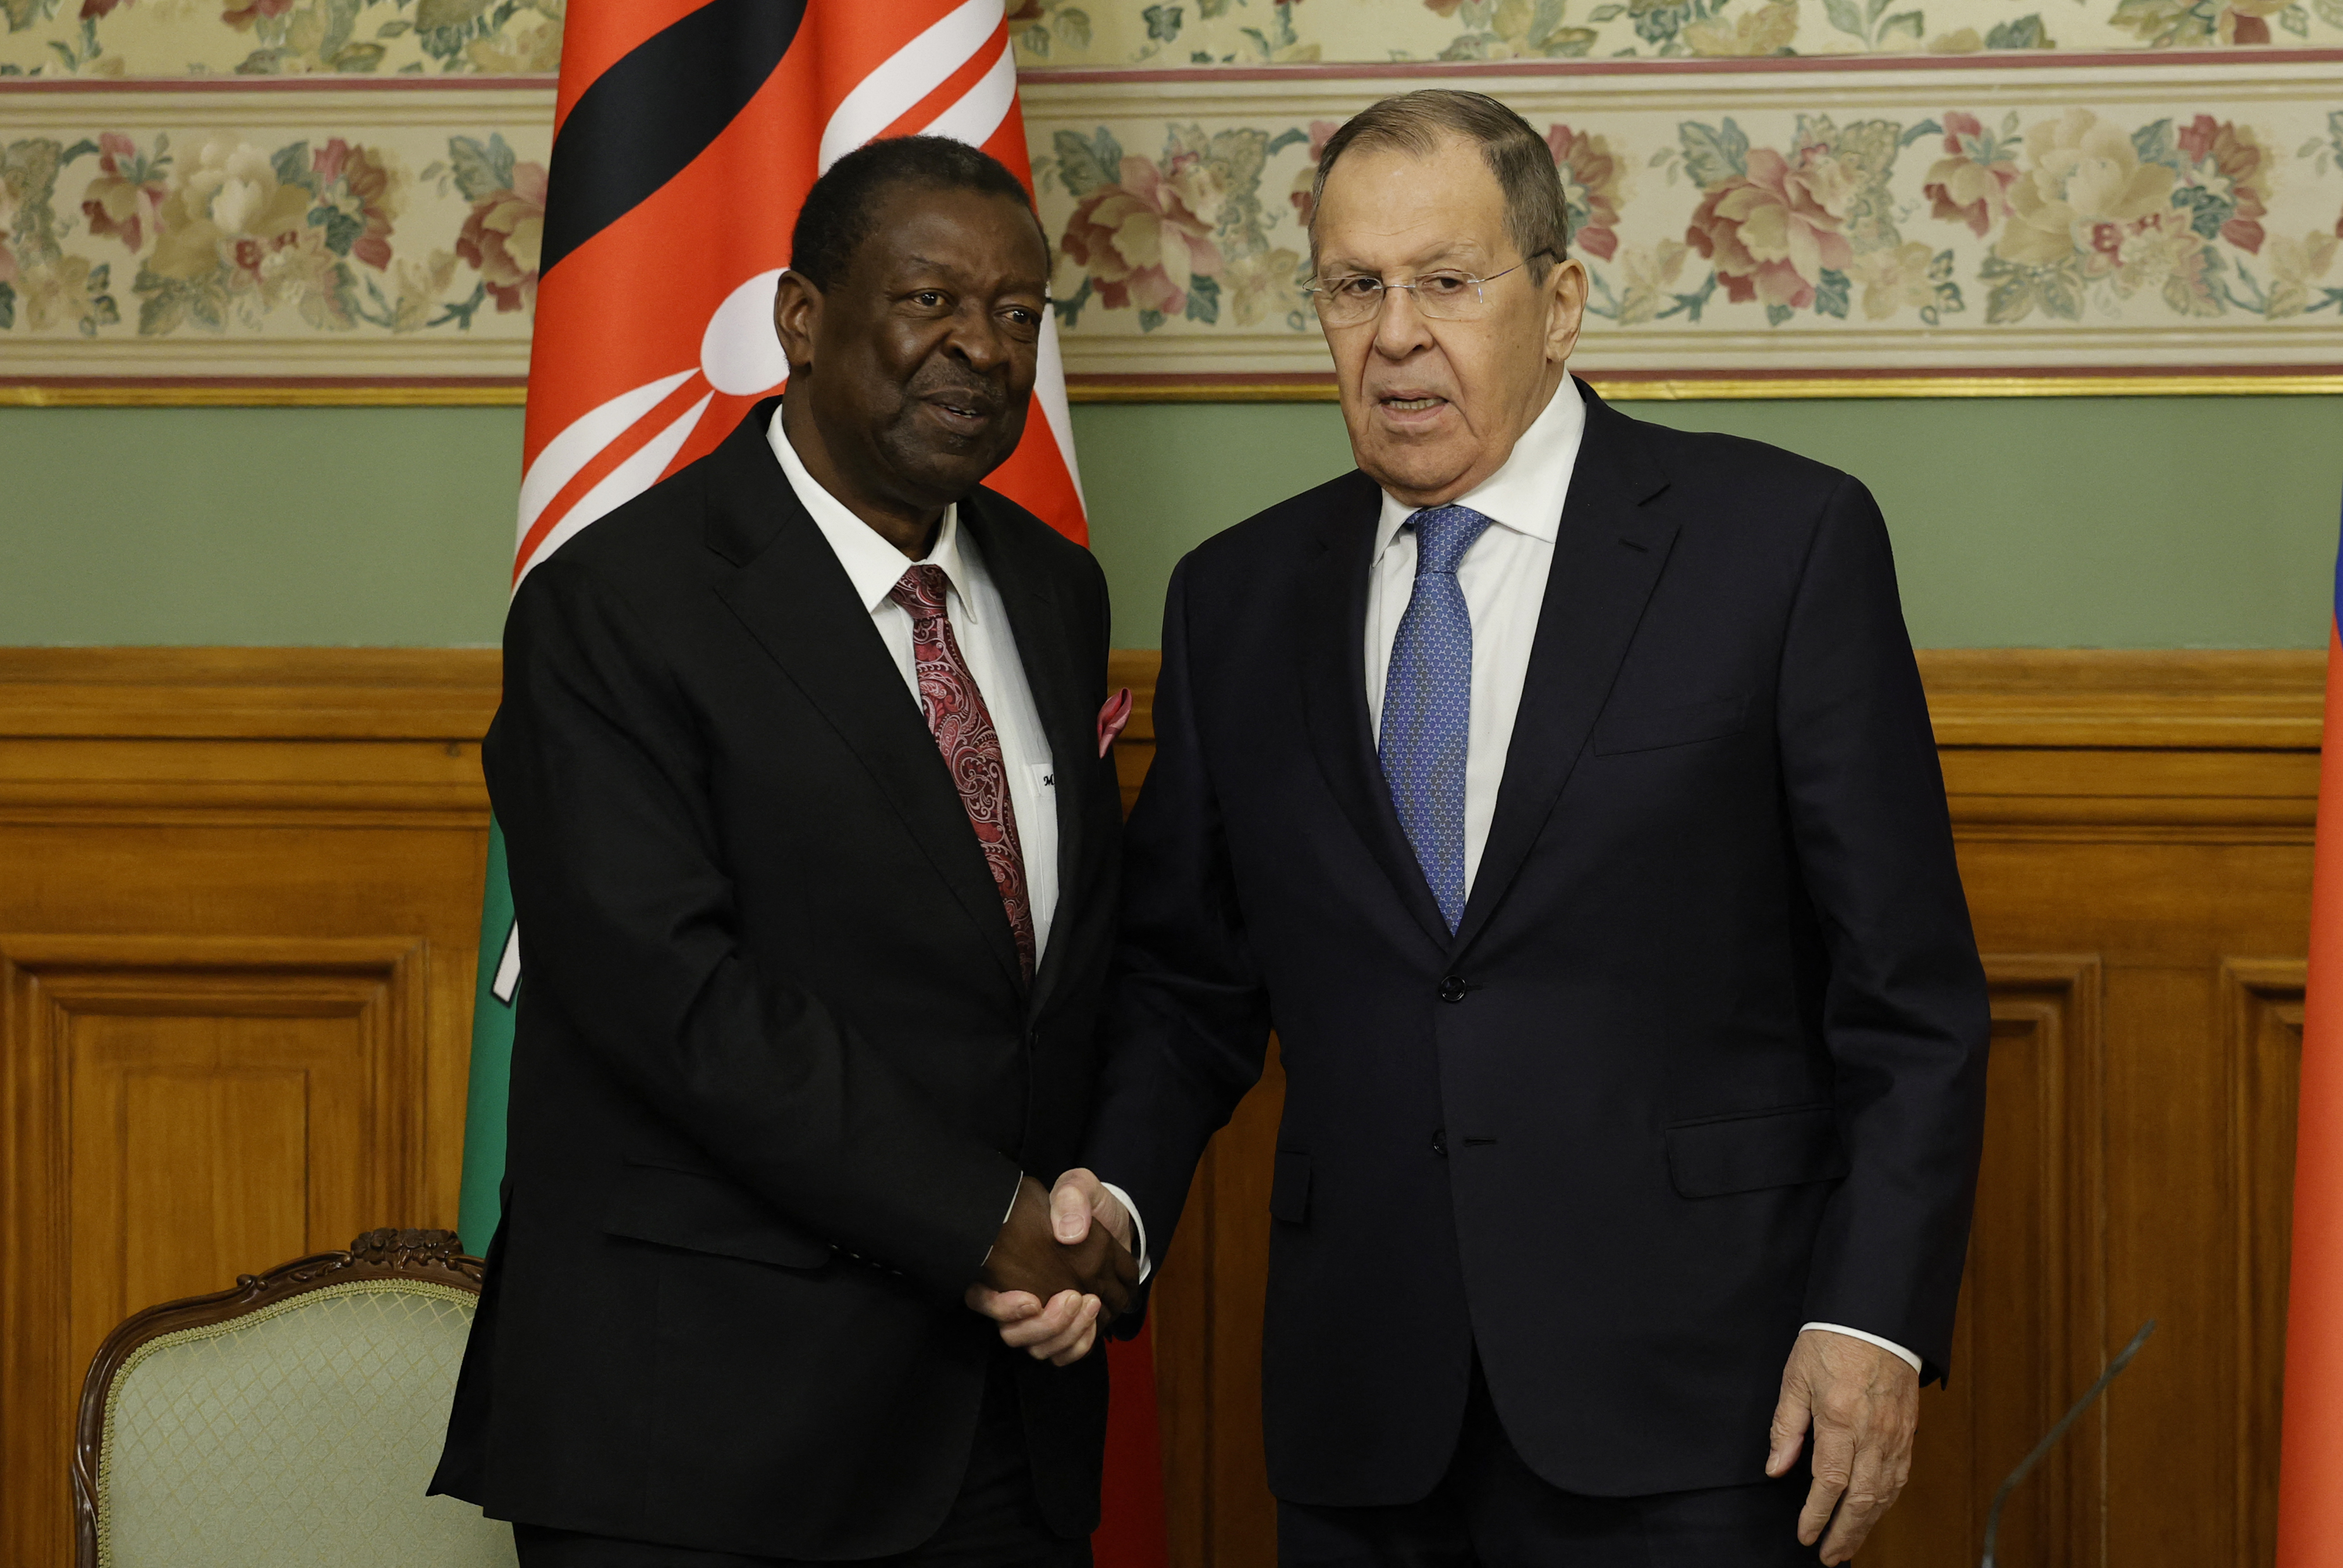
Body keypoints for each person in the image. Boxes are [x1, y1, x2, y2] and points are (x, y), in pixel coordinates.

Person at [1026, 90, 1992, 1565]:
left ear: (1560, 303)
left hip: (1701, 1404)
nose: (1395, 335)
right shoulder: (1237, 597)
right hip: (1365, 1412)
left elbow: (1907, 996)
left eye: (1446, 281)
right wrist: (1119, 1204)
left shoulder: (1776, 545)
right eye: (1353, 287)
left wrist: (1871, 1318)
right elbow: (1187, 983)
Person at [431, 135, 1138, 1568]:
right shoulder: (614, 606)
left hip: (999, 1419)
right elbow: (671, 997)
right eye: (930, 300)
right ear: (801, 321)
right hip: (700, 1435)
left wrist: (1087, 1220)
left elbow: (1059, 978)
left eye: (1017, 313)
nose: (981, 348)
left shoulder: (1054, 590)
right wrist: (984, 1221)